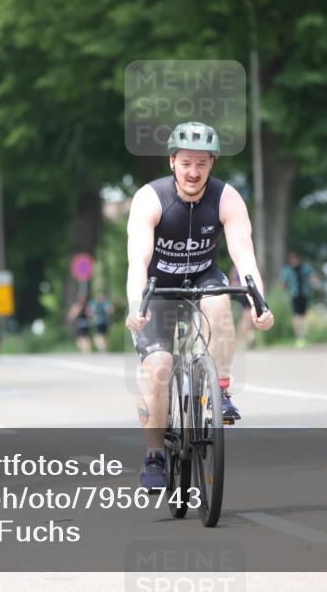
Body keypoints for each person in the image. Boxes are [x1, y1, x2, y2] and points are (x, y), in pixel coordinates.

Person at [125, 121, 274, 490]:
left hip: (204, 276)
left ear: (212, 165)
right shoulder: (150, 198)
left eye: (202, 164)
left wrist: (258, 300)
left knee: (220, 304)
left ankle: (220, 392)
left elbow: (244, 255)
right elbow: (138, 260)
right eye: (186, 163)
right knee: (159, 367)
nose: (194, 172)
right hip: (158, 288)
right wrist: (136, 305)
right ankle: (155, 454)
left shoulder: (227, 198)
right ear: (172, 161)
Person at [280, 252, 318, 348]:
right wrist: (284, 285)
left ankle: (303, 335)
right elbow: (283, 284)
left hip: (304, 294)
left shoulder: (306, 268)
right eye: (292, 259)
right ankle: (300, 337)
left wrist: (314, 281)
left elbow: (313, 277)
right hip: (295, 295)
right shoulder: (288, 270)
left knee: (304, 316)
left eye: (296, 259)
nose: (294, 261)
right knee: (297, 316)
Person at [228, 266, 256, 349]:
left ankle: (247, 337)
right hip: (244, 293)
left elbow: (233, 281)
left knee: (248, 316)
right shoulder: (237, 267)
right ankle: (247, 337)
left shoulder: (237, 267)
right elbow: (233, 281)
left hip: (248, 292)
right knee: (247, 315)